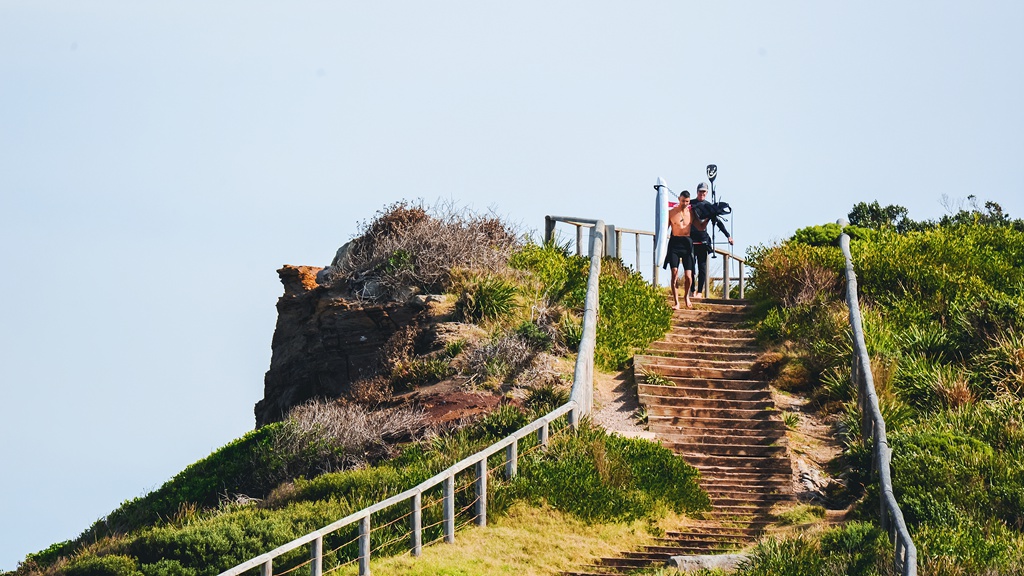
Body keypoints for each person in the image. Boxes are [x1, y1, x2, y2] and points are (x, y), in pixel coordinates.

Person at [689, 182, 733, 299]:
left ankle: (699, 292)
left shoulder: (709, 206)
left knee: (702, 267)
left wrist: (728, 236)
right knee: (691, 267)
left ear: (707, 193)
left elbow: (718, 222)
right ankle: (692, 290)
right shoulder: (690, 204)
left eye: (704, 192)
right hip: (691, 240)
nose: (702, 193)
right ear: (697, 191)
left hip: (703, 240)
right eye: (700, 191)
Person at [665, 190, 695, 310]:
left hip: (687, 243)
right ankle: (676, 302)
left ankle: (686, 296)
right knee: (674, 273)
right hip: (675, 243)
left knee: (688, 276)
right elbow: (664, 229)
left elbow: (700, 226)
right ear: (679, 199)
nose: (685, 203)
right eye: (683, 201)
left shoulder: (692, 213)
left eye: (687, 201)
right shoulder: (671, 213)